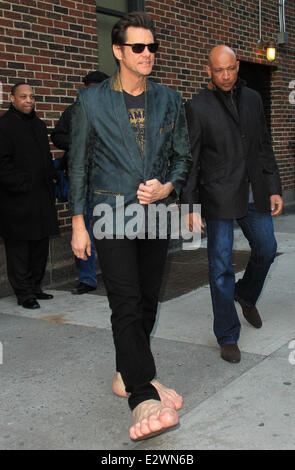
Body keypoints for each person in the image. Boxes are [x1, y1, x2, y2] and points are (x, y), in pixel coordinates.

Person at [68, 12, 192, 440]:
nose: (146, 55)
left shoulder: (170, 99)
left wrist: (168, 187)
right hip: (110, 215)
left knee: (146, 302)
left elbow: (183, 156)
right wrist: (78, 224)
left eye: (151, 47)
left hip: (156, 214)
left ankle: (126, 373)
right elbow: (78, 165)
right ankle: (141, 393)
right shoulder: (91, 101)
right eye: (137, 47)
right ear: (118, 51)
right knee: (123, 302)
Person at [181, 45, 283, 363]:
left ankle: (246, 294)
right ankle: (227, 334)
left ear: (237, 65)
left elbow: (263, 145)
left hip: (254, 191)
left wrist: (274, 187)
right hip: (219, 196)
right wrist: (189, 206)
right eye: (218, 70)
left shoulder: (253, 98)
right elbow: (191, 159)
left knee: (266, 250)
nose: (226, 76)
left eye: (231, 69)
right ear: (208, 70)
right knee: (220, 267)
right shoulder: (197, 107)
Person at [0, 83, 59, 309]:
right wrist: (20, 184)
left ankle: (35, 287)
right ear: (12, 98)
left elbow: (44, 156)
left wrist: (52, 175)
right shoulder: (4, 126)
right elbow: (2, 164)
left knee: (39, 246)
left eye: (32, 97)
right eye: (23, 96)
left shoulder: (38, 124)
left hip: (41, 198)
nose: (28, 101)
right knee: (19, 249)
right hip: (16, 200)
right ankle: (24, 294)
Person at [51, 70, 109, 295]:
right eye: (88, 86)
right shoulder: (74, 110)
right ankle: (87, 278)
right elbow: (57, 135)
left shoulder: (113, 112)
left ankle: (114, 274)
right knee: (82, 226)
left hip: (106, 180)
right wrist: (78, 143)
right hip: (81, 179)